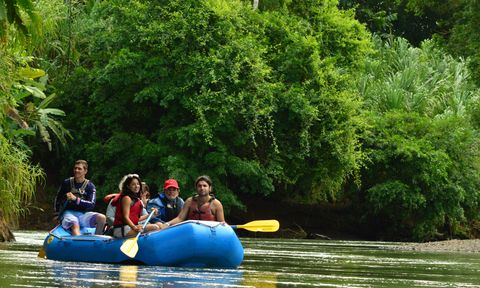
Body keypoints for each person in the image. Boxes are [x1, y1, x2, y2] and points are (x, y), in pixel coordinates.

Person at [54, 160, 106, 236]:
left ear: (85, 171)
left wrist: (76, 199)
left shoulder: (90, 186)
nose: (76, 170)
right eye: (75, 168)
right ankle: (77, 242)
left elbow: (92, 204)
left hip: (82, 215)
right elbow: (58, 199)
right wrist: (57, 214)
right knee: (75, 224)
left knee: (102, 218)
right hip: (68, 213)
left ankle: (97, 241)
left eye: (79, 169)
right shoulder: (66, 183)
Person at [159, 175, 224, 229]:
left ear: (210, 188)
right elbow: (180, 218)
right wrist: (167, 224)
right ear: (196, 188)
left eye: (205, 186)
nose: (202, 188)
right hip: (192, 233)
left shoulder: (216, 204)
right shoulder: (189, 201)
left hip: (208, 234)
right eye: (199, 186)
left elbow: (221, 223)